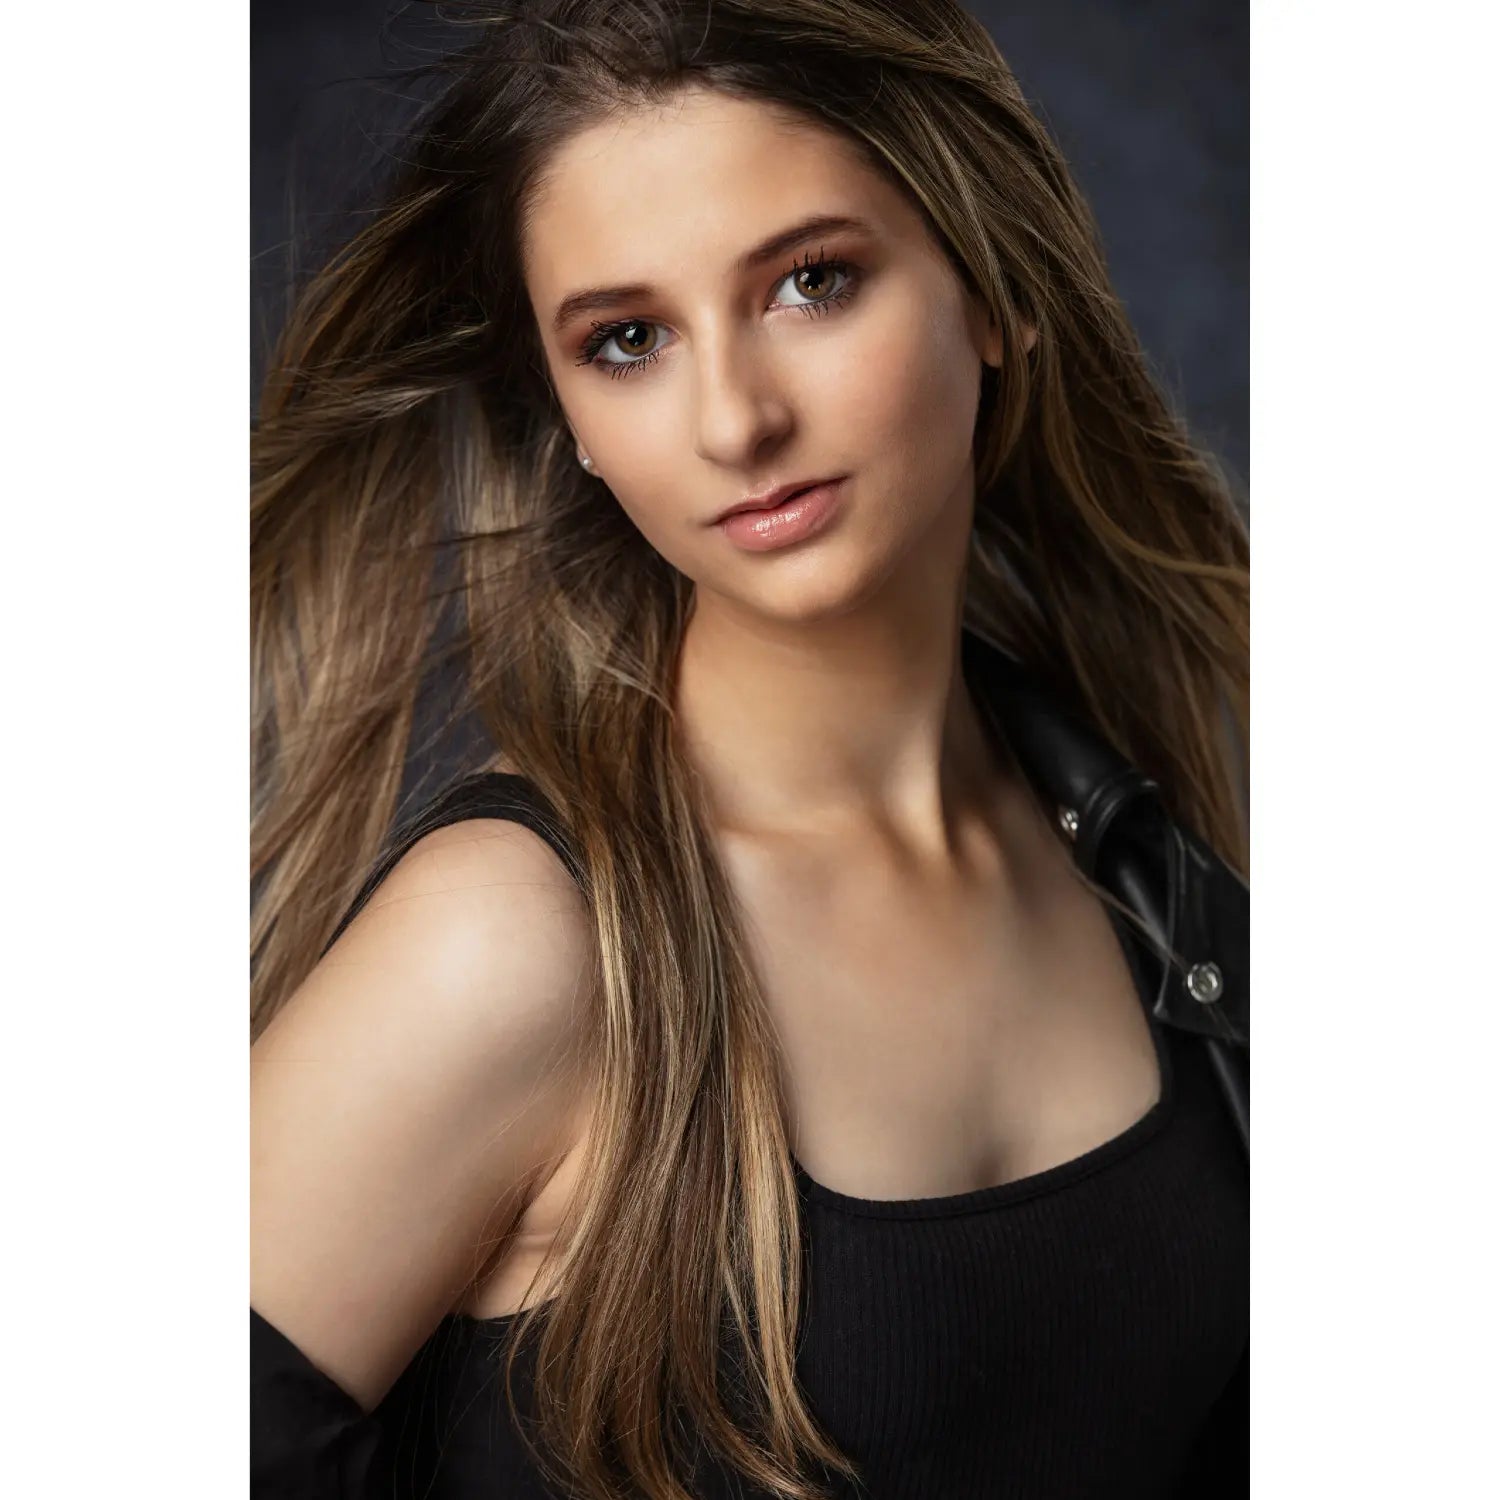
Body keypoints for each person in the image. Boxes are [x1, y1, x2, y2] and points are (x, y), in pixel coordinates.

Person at [249, 2, 1249, 1496]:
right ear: (573, 416)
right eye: (629, 340)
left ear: (990, 289)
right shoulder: (517, 945)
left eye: (810, 283)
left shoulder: (1153, 859)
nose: (735, 417)